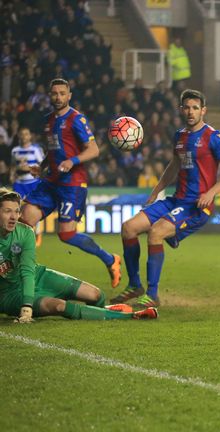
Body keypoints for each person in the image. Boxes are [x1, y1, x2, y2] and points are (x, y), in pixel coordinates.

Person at [113, 89, 220, 308]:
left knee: (156, 232)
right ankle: (135, 285)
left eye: (195, 108)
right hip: (175, 200)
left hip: (196, 205)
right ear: (181, 110)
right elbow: (174, 166)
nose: (191, 112)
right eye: (187, 107)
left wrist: (211, 193)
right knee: (129, 228)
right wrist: (156, 191)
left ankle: (152, 294)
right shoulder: (179, 136)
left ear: (203, 111)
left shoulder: (213, 137)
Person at [20, 79, 121, 289]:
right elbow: (54, 149)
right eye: (54, 93)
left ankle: (110, 259)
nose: (58, 97)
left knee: (66, 234)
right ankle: (23, 272)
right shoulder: (48, 120)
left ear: (69, 96)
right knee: (25, 219)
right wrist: (42, 165)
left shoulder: (76, 119)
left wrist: (72, 161)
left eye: (62, 93)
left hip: (72, 184)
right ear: (50, 95)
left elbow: (94, 150)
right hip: (51, 181)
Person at [0, 189, 157, 323]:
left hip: (36, 276)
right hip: (9, 294)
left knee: (96, 295)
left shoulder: (25, 232)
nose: (14, 217)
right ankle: (133, 316)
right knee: (60, 306)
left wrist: (27, 307)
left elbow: (27, 270)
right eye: (7, 211)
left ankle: (103, 312)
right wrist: (27, 306)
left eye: (16, 211)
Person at [10, 127, 45, 246]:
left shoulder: (36, 150)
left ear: (30, 136)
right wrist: (12, 175)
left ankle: (37, 235)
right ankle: (18, 236)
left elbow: (43, 166)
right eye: (22, 134)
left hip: (33, 183)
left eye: (26, 134)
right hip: (19, 184)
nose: (24, 136)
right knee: (16, 210)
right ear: (19, 136)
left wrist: (28, 168)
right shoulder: (15, 151)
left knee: (35, 210)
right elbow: (13, 166)